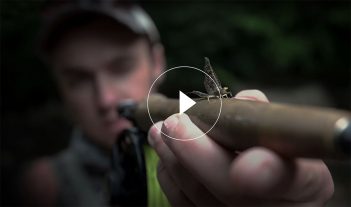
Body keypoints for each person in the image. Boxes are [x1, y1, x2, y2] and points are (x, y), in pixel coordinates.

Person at [21, 1, 334, 206]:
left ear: (157, 61)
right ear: (58, 86)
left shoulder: (199, 124)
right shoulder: (45, 186)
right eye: (78, 79)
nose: (106, 99)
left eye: (121, 67)